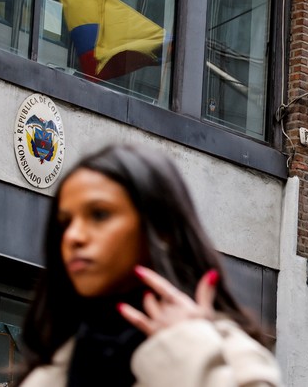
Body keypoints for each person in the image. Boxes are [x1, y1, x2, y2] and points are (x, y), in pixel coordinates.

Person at [15, 143, 282, 386]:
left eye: (99, 214)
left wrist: (186, 349)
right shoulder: (50, 369)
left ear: (161, 229)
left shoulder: (227, 354)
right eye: (65, 223)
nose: (73, 236)